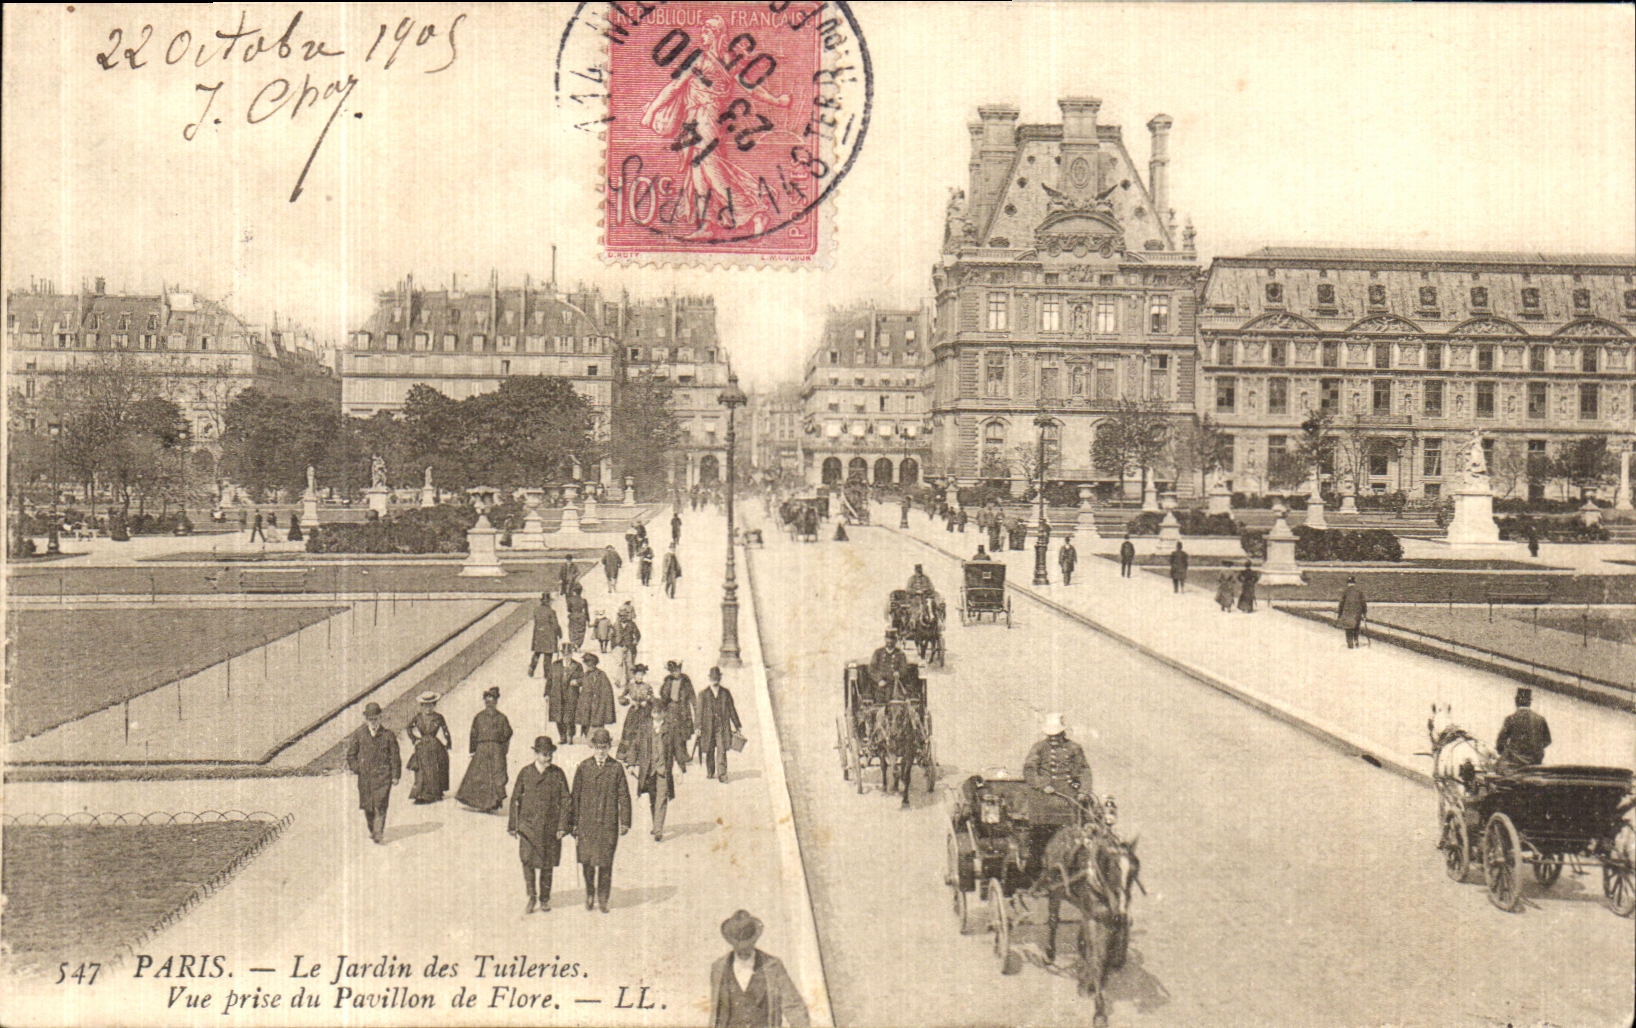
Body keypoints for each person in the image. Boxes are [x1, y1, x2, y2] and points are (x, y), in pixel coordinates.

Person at [709, 910, 811, 1028]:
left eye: (747, 943)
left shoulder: (773, 966)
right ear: (731, 941)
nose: (743, 948)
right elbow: (717, 1013)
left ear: (754, 940)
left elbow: (794, 1007)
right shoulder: (719, 968)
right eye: (738, 943)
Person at [509, 736, 572, 913]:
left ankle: (545, 898)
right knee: (527, 861)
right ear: (536, 754)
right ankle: (531, 896)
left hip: (549, 827)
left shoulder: (558, 774)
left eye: (550, 754)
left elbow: (566, 800)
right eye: (544, 754)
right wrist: (513, 825)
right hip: (528, 827)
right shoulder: (525, 773)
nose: (548, 758)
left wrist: (562, 826)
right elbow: (515, 799)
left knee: (547, 863)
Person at [571, 727, 631, 913]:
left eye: (604, 747)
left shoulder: (616, 768)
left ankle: (603, 898)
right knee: (587, 861)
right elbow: (575, 797)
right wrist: (573, 824)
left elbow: (624, 796)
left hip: (607, 822)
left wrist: (625, 821)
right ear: (593, 747)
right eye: (598, 747)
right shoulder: (584, 767)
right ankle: (590, 894)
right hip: (587, 823)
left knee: (605, 862)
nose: (601, 751)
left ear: (609, 747)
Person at [632, 697, 689, 842]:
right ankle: (656, 823)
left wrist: (681, 768)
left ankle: (658, 829)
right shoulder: (645, 728)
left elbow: (678, 748)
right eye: (654, 712)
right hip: (649, 769)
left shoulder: (671, 728)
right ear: (651, 714)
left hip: (664, 770)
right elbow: (635, 745)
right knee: (653, 798)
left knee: (662, 797)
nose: (656, 715)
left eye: (659, 712)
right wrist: (631, 763)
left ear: (664, 713)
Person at [344, 702, 401, 845]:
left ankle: (378, 833)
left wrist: (395, 776)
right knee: (368, 806)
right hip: (366, 777)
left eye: (375, 718)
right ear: (366, 719)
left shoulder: (388, 735)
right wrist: (357, 768)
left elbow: (395, 757)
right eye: (370, 719)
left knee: (381, 804)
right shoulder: (359, 734)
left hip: (383, 776)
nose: (373, 722)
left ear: (380, 718)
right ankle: (373, 829)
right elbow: (351, 755)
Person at [456, 687, 513, 812]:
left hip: (495, 749)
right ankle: (482, 803)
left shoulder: (502, 718)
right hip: (482, 748)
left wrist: (501, 748)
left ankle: (494, 802)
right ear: (485, 701)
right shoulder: (479, 717)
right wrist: (473, 750)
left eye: (492, 699)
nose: (490, 701)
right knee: (480, 775)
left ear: (496, 701)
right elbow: (474, 733)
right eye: (487, 699)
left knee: (497, 775)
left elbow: (507, 733)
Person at [697, 667, 742, 783]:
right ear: (709, 679)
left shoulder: (725, 693)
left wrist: (737, 725)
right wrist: (697, 727)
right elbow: (699, 712)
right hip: (708, 727)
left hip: (722, 726)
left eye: (716, 679)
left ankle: (722, 774)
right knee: (710, 749)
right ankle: (710, 771)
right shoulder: (703, 694)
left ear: (720, 679)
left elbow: (731, 709)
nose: (715, 681)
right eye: (712, 679)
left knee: (721, 749)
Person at [406, 693, 452, 804]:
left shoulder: (438, 717)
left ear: (434, 705)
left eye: (430, 705)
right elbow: (408, 728)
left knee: (436, 767)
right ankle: (421, 793)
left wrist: (448, 742)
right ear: (422, 706)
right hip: (422, 745)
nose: (428, 708)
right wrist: (414, 739)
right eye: (425, 705)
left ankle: (436, 792)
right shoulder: (418, 717)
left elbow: (445, 730)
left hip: (434, 744)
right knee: (421, 769)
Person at [1496, 687, 1552, 771]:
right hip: (1535, 761)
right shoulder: (1540, 719)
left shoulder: (1511, 718)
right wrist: (1534, 748)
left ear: (1516, 701)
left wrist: (1507, 752)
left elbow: (1500, 744)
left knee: (1497, 767)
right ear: (1530, 702)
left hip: (1514, 762)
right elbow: (1548, 741)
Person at [547, 643, 584, 746]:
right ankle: (562, 736)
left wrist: (577, 682)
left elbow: (583, 678)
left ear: (572, 654)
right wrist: (546, 693)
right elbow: (549, 680)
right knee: (558, 717)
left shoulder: (577, 666)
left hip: (571, 694)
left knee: (570, 717)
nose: (566, 656)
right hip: (557, 695)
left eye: (569, 654)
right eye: (564, 654)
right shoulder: (555, 665)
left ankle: (570, 736)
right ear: (561, 654)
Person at [578, 652, 618, 742]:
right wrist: (577, 682)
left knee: (596, 726)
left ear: (590, 664)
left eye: (585, 663)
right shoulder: (588, 674)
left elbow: (604, 692)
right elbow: (584, 681)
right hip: (588, 706)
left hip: (596, 707)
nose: (584, 666)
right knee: (588, 724)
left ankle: (598, 739)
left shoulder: (600, 675)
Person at [661, 659, 697, 747]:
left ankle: (682, 755)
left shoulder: (686, 682)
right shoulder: (668, 681)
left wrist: (696, 711)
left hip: (682, 709)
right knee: (669, 733)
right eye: (673, 671)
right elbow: (663, 696)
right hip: (671, 709)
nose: (676, 673)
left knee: (682, 733)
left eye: (677, 670)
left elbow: (692, 696)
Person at [527, 593, 561, 677]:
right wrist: (559, 633)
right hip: (548, 635)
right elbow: (555, 625)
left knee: (537, 653)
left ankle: (532, 667)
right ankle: (546, 673)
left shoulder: (536, 610)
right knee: (548, 655)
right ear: (549, 602)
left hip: (538, 634)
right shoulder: (551, 612)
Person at [868, 629, 908, 697]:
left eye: (892, 639)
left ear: (896, 640)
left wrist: (899, 673)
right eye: (887, 639)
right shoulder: (878, 652)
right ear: (885, 639)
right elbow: (872, 669)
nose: (889, 641)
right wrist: (879, 680)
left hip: (894, 684)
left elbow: (904, 669)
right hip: (879, 685)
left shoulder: (900, 654)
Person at [1336, 575, 1368, 649]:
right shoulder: (1359, 591)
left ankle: (1350, 644)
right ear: (1354, 583)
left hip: (1347, 614)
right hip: (1357, 614)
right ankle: (1356, 641)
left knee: (1348, 629)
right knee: (1356, 627)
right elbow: (1363, 603)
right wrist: (1364, 613)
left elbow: (1341, 604)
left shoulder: (1345, 592)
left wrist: (1339, 614)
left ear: (1348, 583)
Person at [566, 583, 590, 650]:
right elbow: (586, 611)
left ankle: (574, 643)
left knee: (572, 630)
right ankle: (578, 645)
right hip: (582, 616)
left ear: (574, 591)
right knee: (581, 631)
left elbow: (568, 609)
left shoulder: (570, 600)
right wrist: (588, 620)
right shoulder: (584, 600)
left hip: (573, 615)